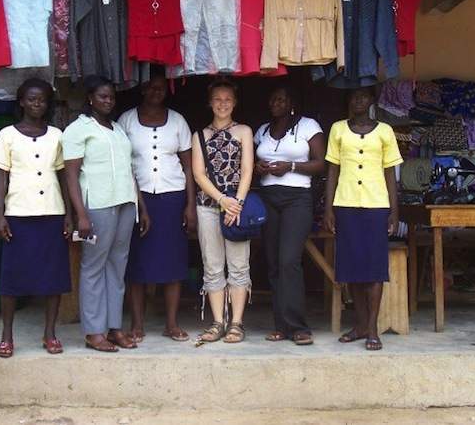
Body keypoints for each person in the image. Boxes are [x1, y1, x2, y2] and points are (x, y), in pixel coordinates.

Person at [62, 75, 150, 352]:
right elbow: (71, 175)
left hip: (125, 203)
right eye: (102, 96)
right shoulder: (78, 129)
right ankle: (93, 332)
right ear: (90, 98)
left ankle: (114, 328)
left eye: (111, 97)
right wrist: (81, 214)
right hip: (97, 205)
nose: (108, 101)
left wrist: (141, 207)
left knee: (117, 266)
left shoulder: (117, 129)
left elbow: (129, 171)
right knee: (93, 267)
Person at [0, 78, 72, 358]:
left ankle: (49, 334)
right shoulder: (7, 135)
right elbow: (1, 177)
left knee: (53, 277)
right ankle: (7, 336)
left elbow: (64, 177)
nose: (37, 104)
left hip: (52, 212)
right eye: (32, 99)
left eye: (42, 100)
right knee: (11, 278)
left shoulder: (57, 135)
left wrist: (69, 215)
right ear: (22, 102)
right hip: (18, 215)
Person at [323, 87, 403, 351]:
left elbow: (391, 173)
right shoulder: (337, 129)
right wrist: (329, 209)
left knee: (374, 269)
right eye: (354, 97)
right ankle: (359, 325)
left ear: (371, 101)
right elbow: (332, 170)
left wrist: (394, 210)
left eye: (363, 97)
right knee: (352, 269)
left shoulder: (385, 131)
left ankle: (372, 328)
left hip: (376, 205)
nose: (358, 101)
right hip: (346, 204)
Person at [119, 74, 196, 343]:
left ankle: (171, 324)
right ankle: (137, 324)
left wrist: (190, 206)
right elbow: (122, 164)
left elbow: (188, 166)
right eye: (151, 87)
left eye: (161, 89)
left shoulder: (177, 121)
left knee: (173, 264)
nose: (156, 92)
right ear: (142, 89)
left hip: (172, 199)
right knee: (137, 265)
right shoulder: (126, 120)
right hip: (137, 199)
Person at [254, 86, 325, 345]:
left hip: (297, 199)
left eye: (281, 98)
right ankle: (281, 326)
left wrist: (291, 166)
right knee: (273, 263)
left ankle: (298, 327)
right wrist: (258, 167)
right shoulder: (261, 130)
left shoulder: (308, 126)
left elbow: (320, 163)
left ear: (291, 102)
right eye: (273, 98)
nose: (276, 102)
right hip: (268, 198)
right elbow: (249, 165)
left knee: (288, 261)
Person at [191, 79, 254, 344]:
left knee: (238, 265)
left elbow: (248, 169)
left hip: (237, 207)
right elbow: (198, 174)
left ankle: (236, 323)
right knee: (213, 266)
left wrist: (235, 203)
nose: (222, 104)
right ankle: (218, 322)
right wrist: (222, 201)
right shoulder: (200, 136)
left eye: (228, 99)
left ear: (235, 103)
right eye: (217, 99)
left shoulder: (244, 131)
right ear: (210, 102)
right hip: (208, 206)